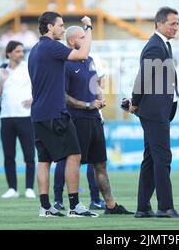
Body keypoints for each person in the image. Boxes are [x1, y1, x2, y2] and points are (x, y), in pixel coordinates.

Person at [53, 26, 133, 215]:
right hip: (77, 119)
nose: (87, 40)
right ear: (72, 41)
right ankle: (67, 204)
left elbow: (96, 83)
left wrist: (99, 98)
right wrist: (87, 105)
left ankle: (111, 206)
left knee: (100, 163)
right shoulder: (65, 63)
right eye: (83, 37)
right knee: (71, 161)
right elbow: (63, 95)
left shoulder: (89, 60)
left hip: (94, 118)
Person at [28, 11, 97, 217]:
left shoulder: (35, 49)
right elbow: (82, 54)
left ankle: (45, 207)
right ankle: (75, 206)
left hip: (38, 113)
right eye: (60, 25)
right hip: (55, 112)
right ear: (49, 27)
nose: (63, 28)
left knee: (44, 160)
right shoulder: (52, 46)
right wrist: (88, 28)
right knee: (74, 155)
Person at [123, 6, 179, 218]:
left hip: (156, 110)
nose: (176, 27)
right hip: (154, 112)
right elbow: (143, 78)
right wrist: (135, 102)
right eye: (172, 23)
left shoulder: (162, 45)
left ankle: (143, 208)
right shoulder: (155, 46)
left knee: (151, 159)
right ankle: (165, 207)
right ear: (159, 23)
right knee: (163, 158)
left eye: (177, 23)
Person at [0, 41, 36, 199]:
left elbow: (39, 87)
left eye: (22, 51)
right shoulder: (0, 70)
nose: (21, 54)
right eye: (17, 51)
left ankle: (29, 188)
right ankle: (12, 188)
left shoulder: (28, 68)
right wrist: (2, 81)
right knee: (8, 155)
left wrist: (33, 99)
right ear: (9, 53)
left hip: (25, 116)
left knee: (29, 155)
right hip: (6, 118)